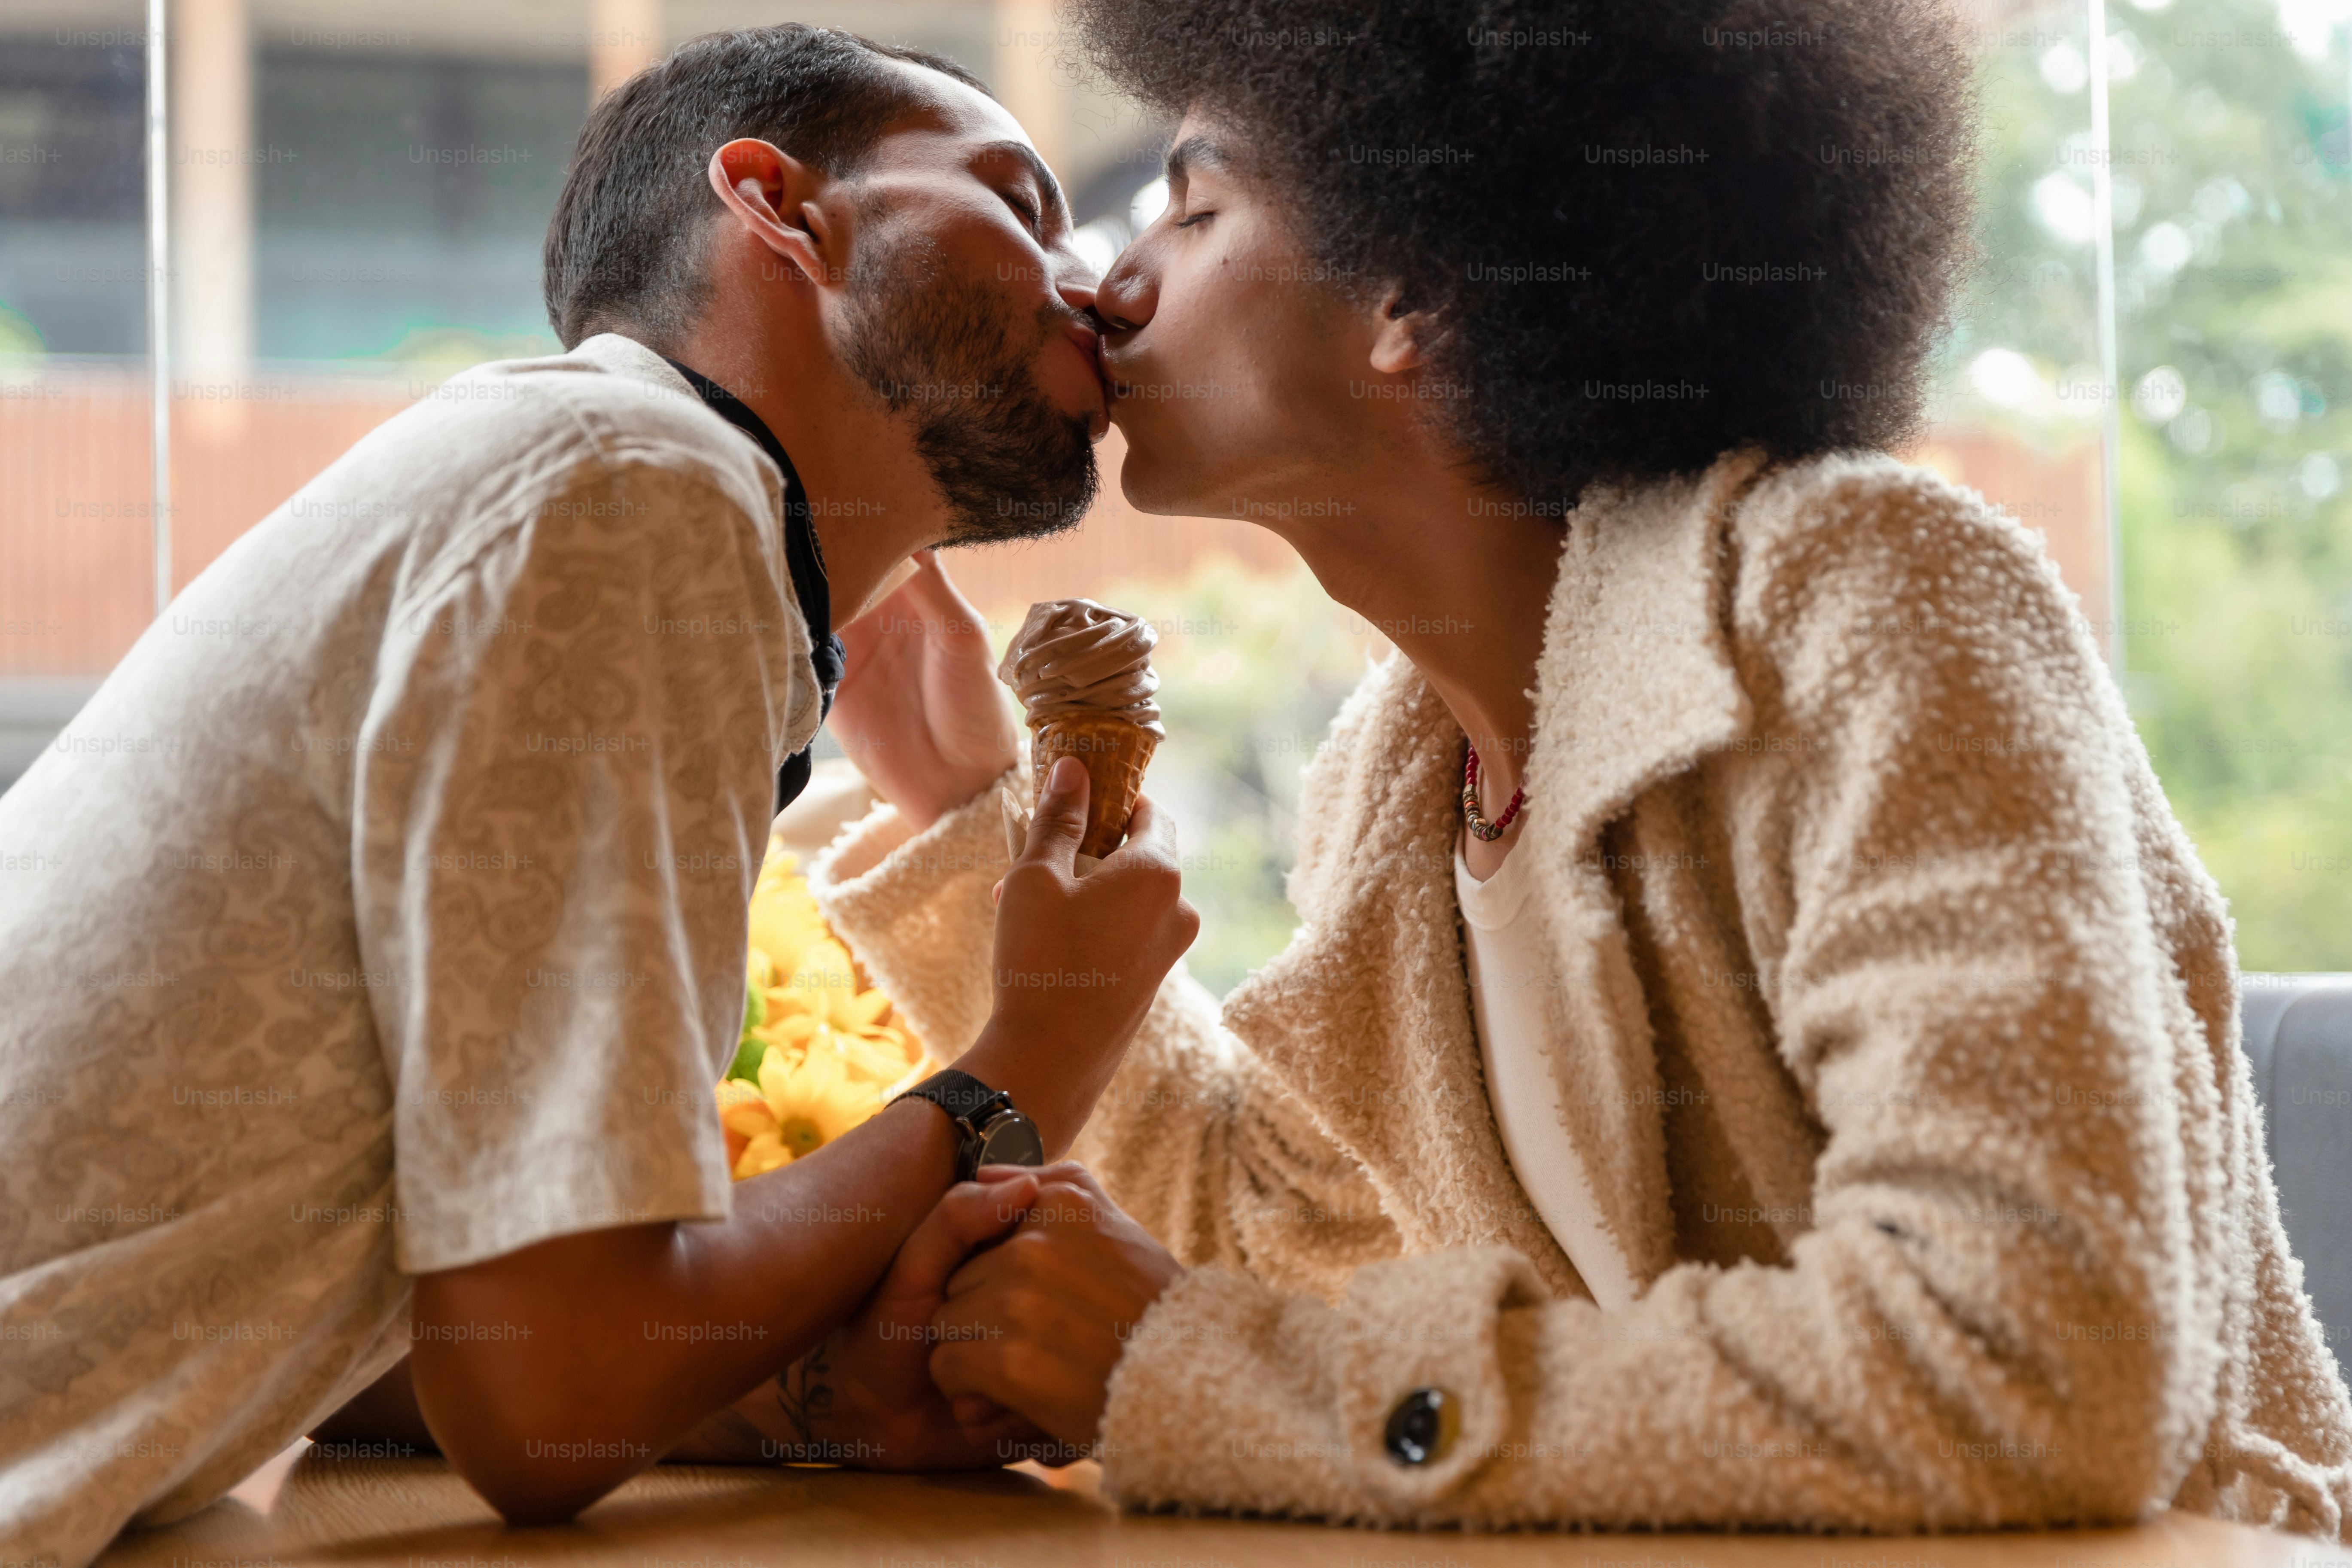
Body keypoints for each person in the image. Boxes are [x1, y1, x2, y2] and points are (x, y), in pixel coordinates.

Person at [799, 0, 2352, 1537]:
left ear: (1414, 291)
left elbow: (2030, 1360)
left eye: (1195, 207)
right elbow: (1276, 1226)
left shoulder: (1865, 606)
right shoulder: (1405, 780)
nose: (1110, 284)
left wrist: (1195, 1360)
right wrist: (959, 808)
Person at [0, 25, 1196, 1565]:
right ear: (781, 208)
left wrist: (806, 1404)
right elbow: (544, 1387)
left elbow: (396, 1340)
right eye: (1018, 199)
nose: (1089, 275)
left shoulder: (588, 479)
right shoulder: (644, 490)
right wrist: (1026, 1057)